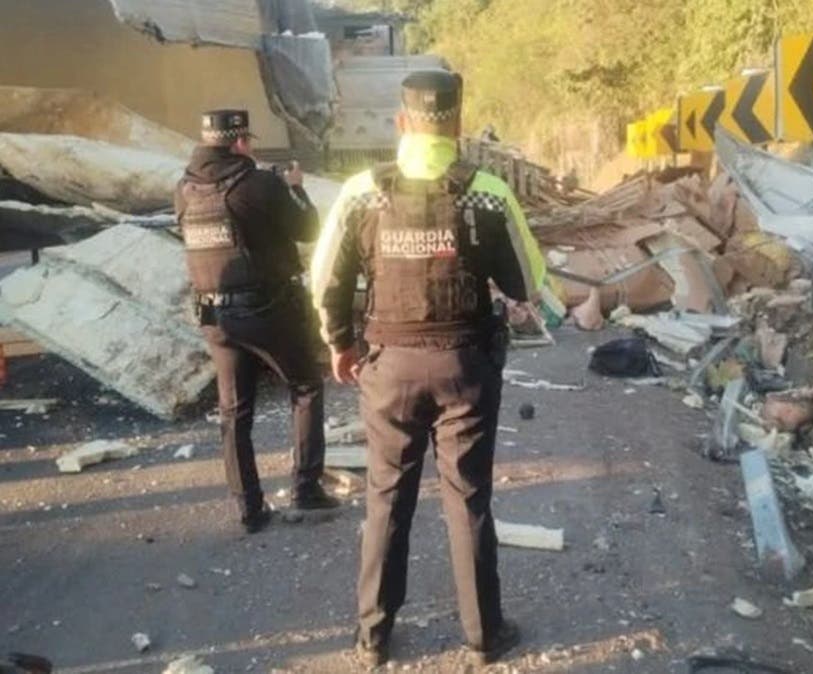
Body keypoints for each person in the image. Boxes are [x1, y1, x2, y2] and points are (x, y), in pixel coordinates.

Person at [311, 70, 542, 668]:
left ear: (401, 122)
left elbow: (328, 278)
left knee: (385, 500)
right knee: (468, 500)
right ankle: (484, 635)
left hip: (388, 369)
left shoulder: (362, 190)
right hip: (465, 366)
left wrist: (338, 342)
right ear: (458, 124)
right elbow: (527, 280)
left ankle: (373, 637)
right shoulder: (487, 191)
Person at [175, 109, 338, 534]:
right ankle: (305, 488)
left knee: (234, 411)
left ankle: (249, 508)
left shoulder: (184, 189)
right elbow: (308, 229)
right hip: (267, 309)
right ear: (240, 143)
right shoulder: (260, 184)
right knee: (304, 386)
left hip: (214, 314)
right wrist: (297, 189)